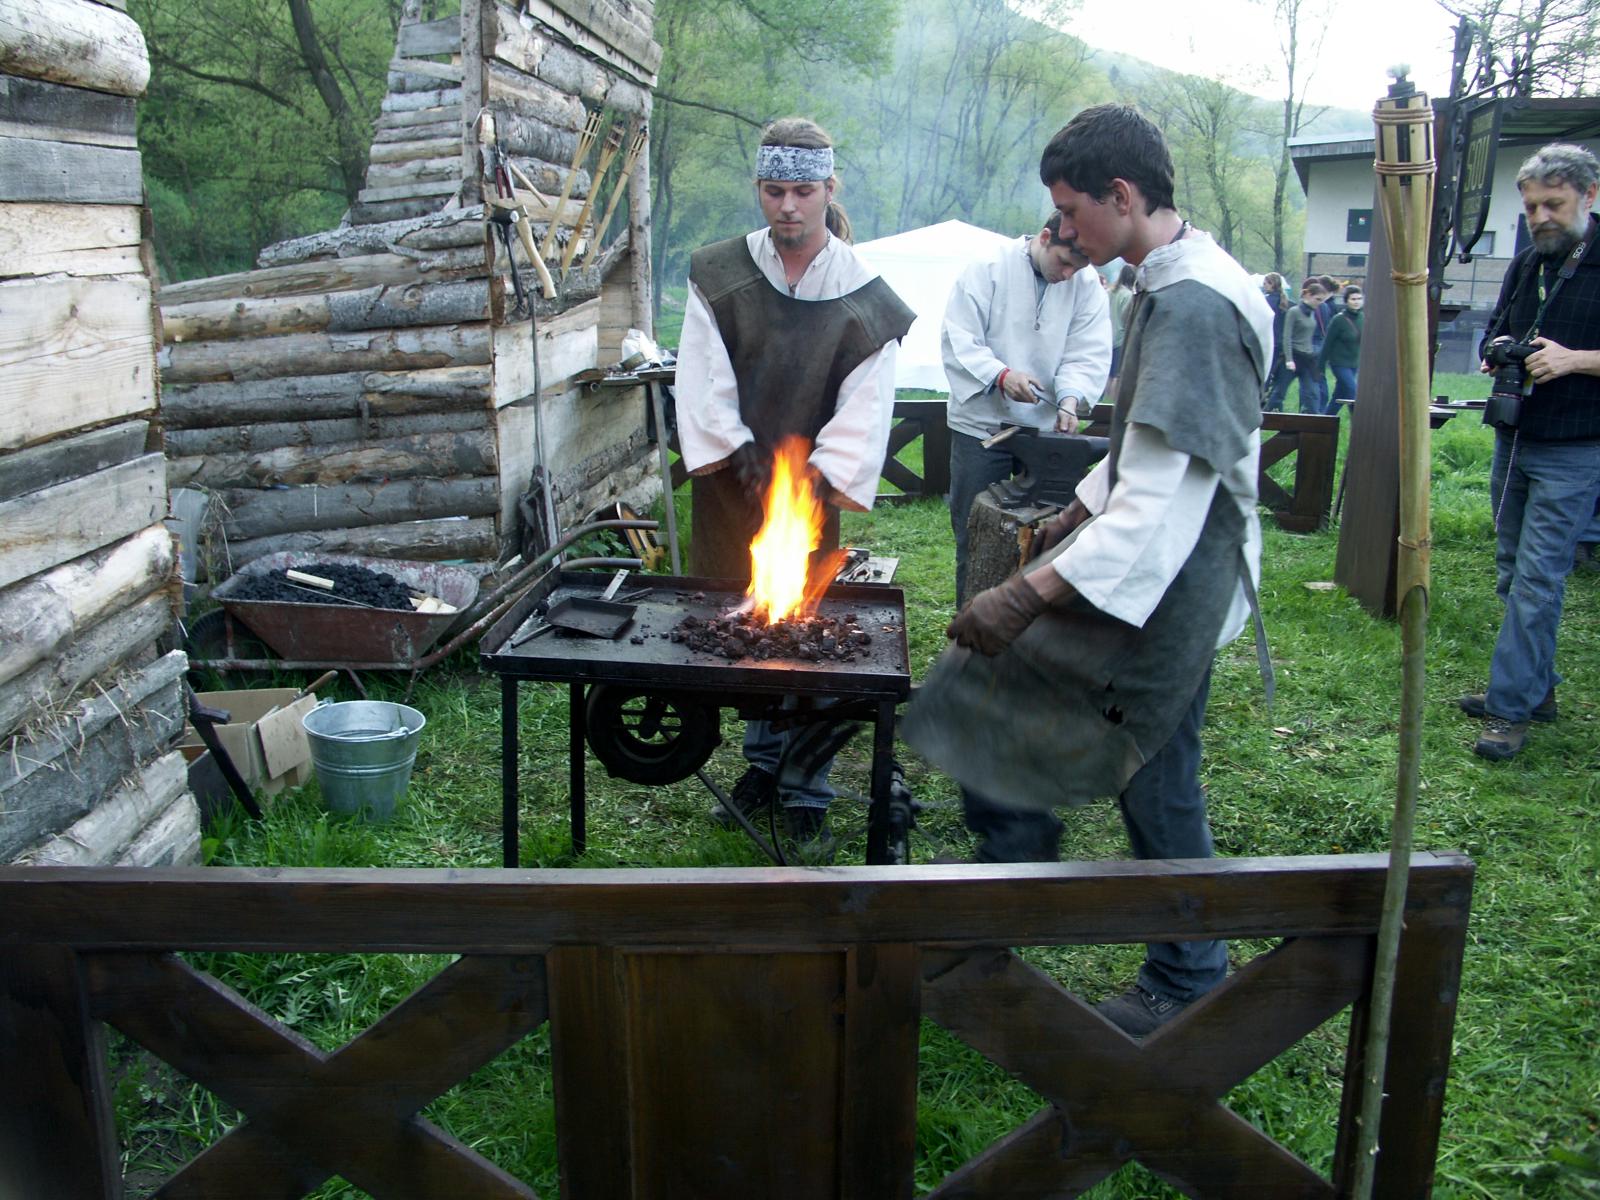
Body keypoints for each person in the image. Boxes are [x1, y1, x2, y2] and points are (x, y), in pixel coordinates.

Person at [902, 103, 1272, 1038]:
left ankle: (1183, 974)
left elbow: (1159, 504)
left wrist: (1021, 595)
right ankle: (1009, 890)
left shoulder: (1196, 306)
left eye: (1072, 211)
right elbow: (1145, 449)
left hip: (1174, 578)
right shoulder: (1168, 278)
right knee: (1001, 695)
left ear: (1122, 194)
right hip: (1145, 554)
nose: (1063, 231)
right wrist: (1077, 507)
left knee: (1150, 769)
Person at [674, 117, 915, 849]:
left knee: (805, 624)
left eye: (803, 191)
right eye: (774, 190)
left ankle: (806, 781)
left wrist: (816, 477)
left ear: (828, 190)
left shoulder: (864, 296)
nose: (787, 206)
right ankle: (762, 764)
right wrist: (737, 451)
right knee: (742, 620)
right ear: (759, 189)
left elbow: (866, 402)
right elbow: (702, 373)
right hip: (731, 483)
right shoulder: (720, 273)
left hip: (809, 492)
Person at [1458, 142, 1600, 760]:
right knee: (1513, 571)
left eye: (1553, 205)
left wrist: (1574, 360)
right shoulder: (1526, 263)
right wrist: (1499, 351)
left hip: (1576, 447)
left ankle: (1509, 708)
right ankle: (1536, 691)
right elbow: (1494, 331)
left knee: (1538, 580)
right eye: (1532, 206)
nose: (1540, 217)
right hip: (1514, 438)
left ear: (1589, 195)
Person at [941, 212, 1112, 604]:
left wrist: (1069, 399)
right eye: (1064, 262)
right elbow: (960, 337)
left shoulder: (1085, 284)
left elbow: (1087, 351)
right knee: (975, 534)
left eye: (1077, 267)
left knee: (1048, 535)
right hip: (981, 426)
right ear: (1045, 237)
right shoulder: (988, 268)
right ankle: (969, 622)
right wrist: (1001, 375)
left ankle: (1026, 625)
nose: (1068, 275)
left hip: (1044, 430)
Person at [1282, 280, 1329, 413]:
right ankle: (1269, 416)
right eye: (1318, 299)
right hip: (1294, 356)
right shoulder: (1294, 311)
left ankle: (1313, 420)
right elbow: (1287, 336)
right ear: (1308, 295)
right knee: (1279, 391)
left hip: (1307, 357)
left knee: (1312, 393)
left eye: (1322, 300)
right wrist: (1289, 359)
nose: (1320, 303)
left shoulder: (1312, 312)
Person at [1321, 285, 1364, 405]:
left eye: (1359, 299)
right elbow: (1327, 343)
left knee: (1340, 394)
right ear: (1346, 301)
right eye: (1353, 299)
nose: (1357, 302)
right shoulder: (1338, 320)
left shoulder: (1363, 317)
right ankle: (1357, 416)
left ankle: (1328, 415)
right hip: (1339, 363)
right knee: (1352, 391)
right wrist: (1320, 366)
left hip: (1354, 363)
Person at [1260, 272, 1293, 411]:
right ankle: (1277, 405)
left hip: (1269, 342)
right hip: (1282, 344)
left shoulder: (1266, 301)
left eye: (1265, 283)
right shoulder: (1288, 303)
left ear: (1272, 284)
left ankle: (1262, 402)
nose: (1263, 285)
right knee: (1278, 376)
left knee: (1265, 374)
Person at [1107, 263, 1137, 396]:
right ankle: (1112, 398)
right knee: (1116, 374)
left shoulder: (1109, 292)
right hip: (1120, 338)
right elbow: (1127, 318)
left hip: (1107, 336)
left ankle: (1104, 398)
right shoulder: (1128, 295)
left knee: (1107, 372)